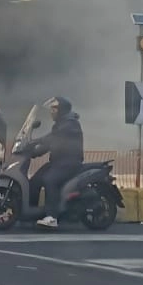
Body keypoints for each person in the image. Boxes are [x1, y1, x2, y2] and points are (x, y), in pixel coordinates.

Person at [27, 96, 84, 229]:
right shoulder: (61, 123)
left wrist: (35, 145)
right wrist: (30, 147)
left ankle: (52, 217)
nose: (51, 111)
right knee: (35, 181)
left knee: (49, 179)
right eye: (51, 108)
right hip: (57, 163)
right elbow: (50, 140)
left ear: (62, 109)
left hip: (69, 163)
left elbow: (52, 140)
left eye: (54, 108)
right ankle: (32, 213)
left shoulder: (70, 124)